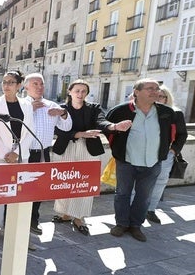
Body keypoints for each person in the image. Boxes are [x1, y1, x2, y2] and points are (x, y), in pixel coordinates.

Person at [106, 78, 187, 242]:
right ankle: (121, 224)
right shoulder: (120, 110)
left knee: (144, 196)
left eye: (156, 89)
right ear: (137, 91)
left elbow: (180, 133)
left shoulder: (167, 112)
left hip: (153, 162)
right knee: (122, 193)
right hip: (126, 161)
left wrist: (173, 149)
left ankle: (136, 226)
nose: (155, 92)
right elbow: (107, 127)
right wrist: (118, 149)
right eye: (150, 88)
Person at [51, 80, 132, 235]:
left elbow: (101, 121)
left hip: (89, 149)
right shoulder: (61, 109)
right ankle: (65, 213)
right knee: (65, 181)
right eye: (77, 91)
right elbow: (56, 129)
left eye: (83, 91)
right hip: (66, 147)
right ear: (70, 92)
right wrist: (80, 134)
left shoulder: (94, 108)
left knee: (84, 183)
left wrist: (113, 127)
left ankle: (79, 217)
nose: (80, 94)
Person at [0, 71, 34, 246]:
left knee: (19, 193)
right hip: (1, 155)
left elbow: (29, 130)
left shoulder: (27, 105)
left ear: (19, 85)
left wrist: (17, 153)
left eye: (11, 82)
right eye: (4, 82)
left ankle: (14, 228)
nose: (6, 85)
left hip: (21, 155)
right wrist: (6, 153)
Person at [23, 73, 72, 235]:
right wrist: (29, 109)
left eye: (41, 84)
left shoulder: (52, 105)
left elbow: (66, 128)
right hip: (23, 155)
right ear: (26, 87)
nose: (39, 87)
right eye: (35, 84)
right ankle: (12, 222)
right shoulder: (20, 104)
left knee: (38, 190)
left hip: (43, 154)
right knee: (20, 189)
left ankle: (32, 221)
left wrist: (63, 114)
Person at [144, 85, 187, 224]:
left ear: (167, 98)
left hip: (166, 155)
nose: (158, 98)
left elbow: (182, 134)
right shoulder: (145, 111)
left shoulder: (175, 113)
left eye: (161, 96)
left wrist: (174, 150)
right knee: (139, 181)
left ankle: (151, 210)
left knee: (160, 182)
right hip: (144, 152)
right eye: (155, 95)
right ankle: (135, 209)